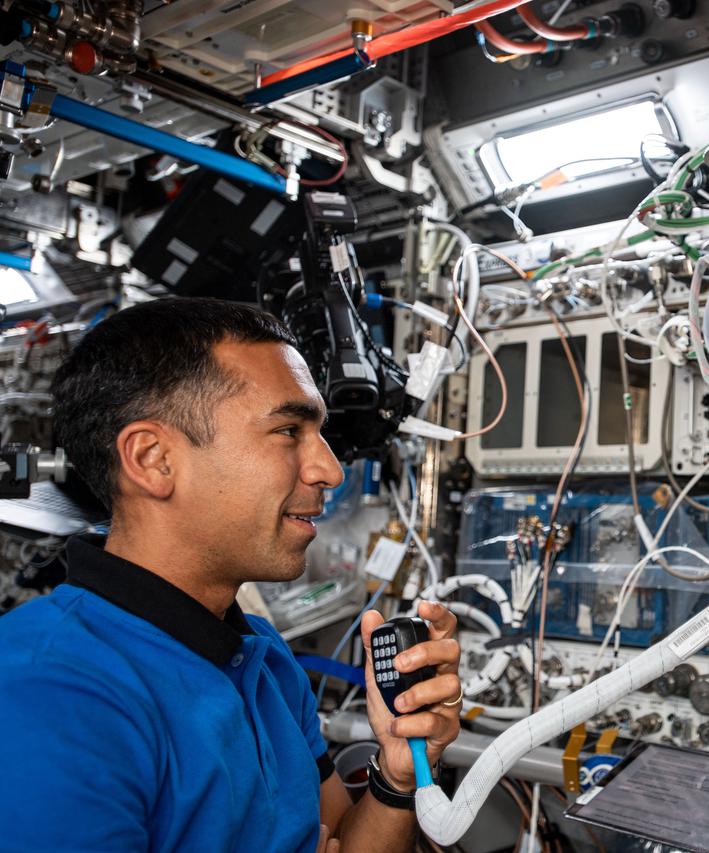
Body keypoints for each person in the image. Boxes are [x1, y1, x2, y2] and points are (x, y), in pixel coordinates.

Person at [0, 297, 461, 852]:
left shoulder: (261, 654)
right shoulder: (46, 689)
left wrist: (398, 775)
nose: (330, 470)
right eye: (288, 430)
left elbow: (341, 837)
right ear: (152, 459)